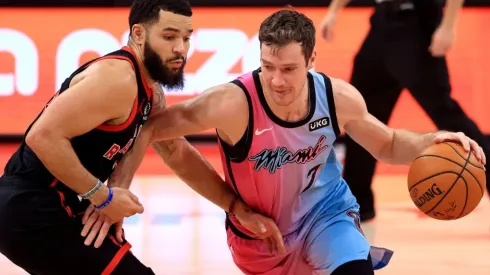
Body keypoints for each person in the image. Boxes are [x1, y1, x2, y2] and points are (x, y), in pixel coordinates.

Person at [85, 9, 486, 275]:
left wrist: (433, 140)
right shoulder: (232, 102)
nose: (277, 80)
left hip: (327, 218)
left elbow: (388, 144)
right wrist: (116, 191)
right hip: (261, 237)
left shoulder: (337, 96)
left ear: (311, 61)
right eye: (268, 66)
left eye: (289, 69)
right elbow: (151, 127)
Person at [0, 1, 283, 274]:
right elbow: (42, 136)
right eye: (169, 36)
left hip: (55, 206)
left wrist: (234, 208)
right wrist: (103, 197)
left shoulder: (150, 90)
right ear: (138, 33)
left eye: (186, 38)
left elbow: (174, 151)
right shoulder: (117, 78)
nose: (180, 49)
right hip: (30, 206)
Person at [319, 0, 490, 224]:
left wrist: (448, 26)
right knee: (360, 114)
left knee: (444, 111)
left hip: (416, 23)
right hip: (382, 23)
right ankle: (357, 202)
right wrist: (334, 11)